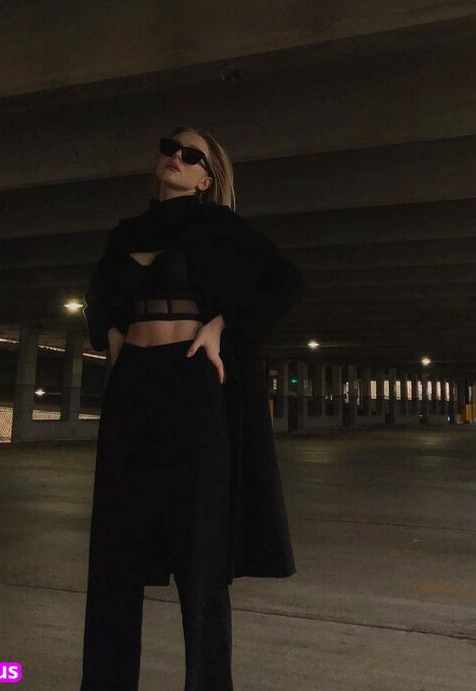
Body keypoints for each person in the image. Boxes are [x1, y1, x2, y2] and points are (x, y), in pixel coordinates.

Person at [79, 126, 305, 691]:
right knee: (115, 547)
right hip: (133, 383)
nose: (174, 158)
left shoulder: (220, 226)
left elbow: (284, 281)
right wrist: (110, 332)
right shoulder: (125, 233)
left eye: (190, 155)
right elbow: (98, 296)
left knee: (199, 545)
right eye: (168, 148)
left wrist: (223, 325)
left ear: (207, 177)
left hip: (190, 381)